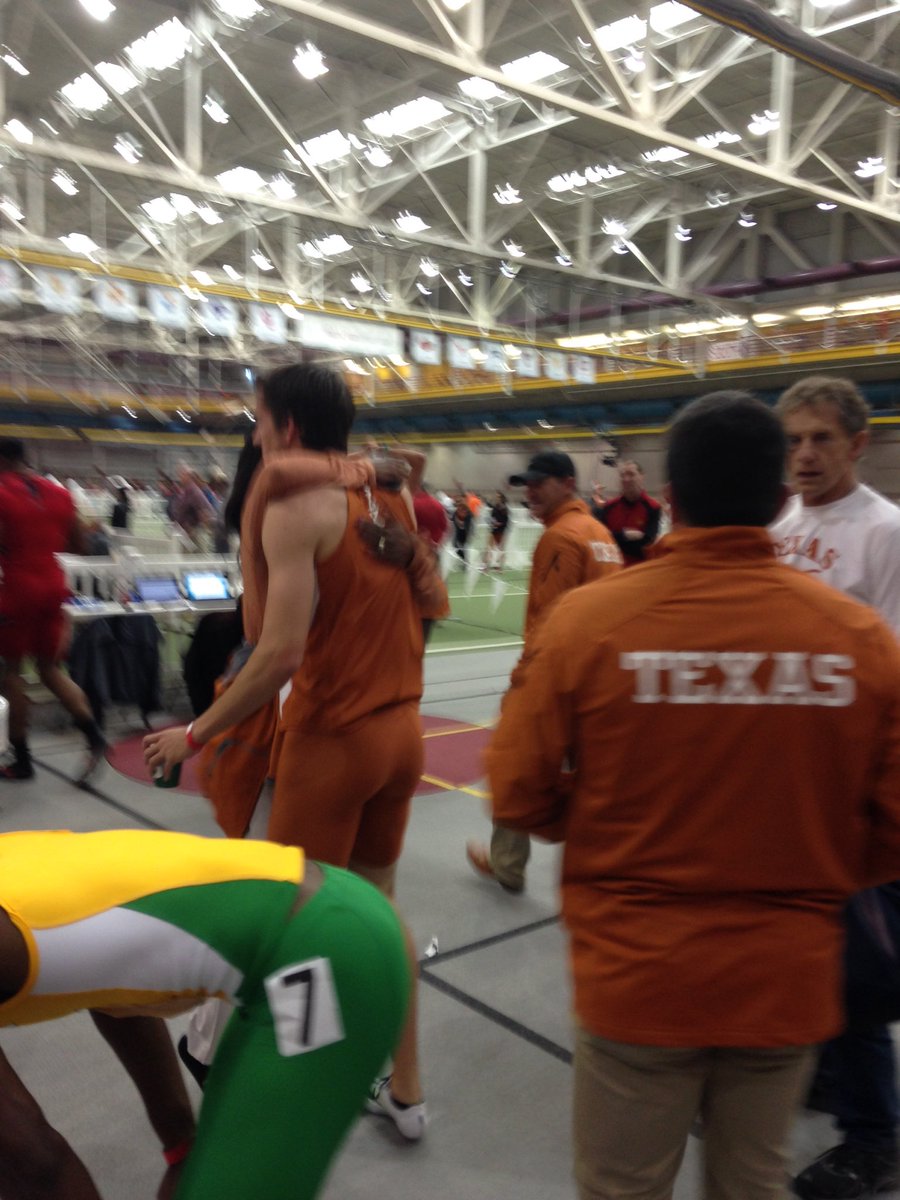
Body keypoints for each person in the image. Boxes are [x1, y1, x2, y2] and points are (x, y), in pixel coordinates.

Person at [486, 391, 900, 1200]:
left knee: (623, 1185)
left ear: (670, 498)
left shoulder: (587, 624)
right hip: (786, 980)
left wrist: (599, 821)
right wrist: (811, 856)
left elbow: (517, 789)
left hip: (638, 978)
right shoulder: (859, 641)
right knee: (754, 1182)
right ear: (778, 500)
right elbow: (890, 829)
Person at [144, 364, 448, 1141]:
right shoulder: (387, 493)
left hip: (334, 741)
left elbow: (278, 654)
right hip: (402, 734)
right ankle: (407, 1093)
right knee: (379, 910)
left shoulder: (294, 507)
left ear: (286, 428)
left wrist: (194, 733)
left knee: (289, 927)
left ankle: (280, 1097)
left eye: (258, 419)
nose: (254, 434)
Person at [0, 828, 409, 1200]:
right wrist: (181, 1145)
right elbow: (107, 985)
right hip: (326, 914)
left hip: (327, 955)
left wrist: (180, 1143)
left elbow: (34, 1163)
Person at [770, 375, 900, 1200]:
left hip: (853, 784)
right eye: (793, 440)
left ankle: (876, 1136)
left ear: (858, 443)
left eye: (821, 439)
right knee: (804, 944)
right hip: (791, 779)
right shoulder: (781, 526)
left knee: (856, 960)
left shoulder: (886, 533)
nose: (806, 455)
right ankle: (826, 1070)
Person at [466, 450, 622, 893]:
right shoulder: (600, 534)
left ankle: (508, 864)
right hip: (601, 676)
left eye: (540, 482)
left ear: (568, 483)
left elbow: (549, 621)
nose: (531, 491)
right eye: (527, 484)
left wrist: (525, 681)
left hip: (559, 679)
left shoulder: (560, 537)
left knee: (512, 764)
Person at [0, 438, 107, 785]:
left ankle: (22, 760)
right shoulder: (60, 493)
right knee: (50, 669)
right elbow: (80, 545)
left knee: (11, 674)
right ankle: (94, 737)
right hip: (52, 587)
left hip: (16, 590)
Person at [601, 459, 661, 564]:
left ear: (642, 477)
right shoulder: (609, 507)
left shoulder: (653, 507)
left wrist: (615, 538)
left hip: (638, 569)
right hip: (612, 568)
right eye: (622, 475)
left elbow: (646, 546)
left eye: (631, 474)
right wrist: (624, 535)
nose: (626, 479)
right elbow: (601, 538)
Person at [482, 491, 510, 570]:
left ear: (502, 498)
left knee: (501, 549)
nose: (496, 498)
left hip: (501, 531)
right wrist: (491, 522)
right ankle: (485, 566)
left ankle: (499, 566)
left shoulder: (504, 508)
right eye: (496, 497)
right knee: (488, 548)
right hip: (493, 530)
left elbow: (506, 521)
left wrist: (499, 524)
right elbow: (491, 517)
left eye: (498, 497)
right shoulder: (495, 507)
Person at [451, 496, 474, 567]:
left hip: (466, 532)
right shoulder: (456, 512)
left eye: (459, 502)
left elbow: (470, 522)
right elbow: (452, 519)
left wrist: (470, 533)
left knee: (464, 547)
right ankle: (464, 559)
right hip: (458, 532)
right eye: (457, 503)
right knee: (455, 545)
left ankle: (465, 563)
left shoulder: (468, 512)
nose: (458, 504)